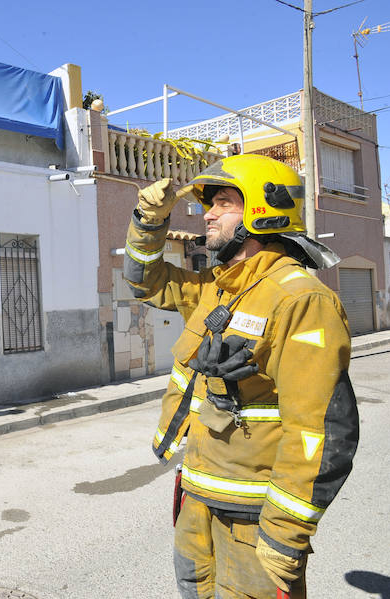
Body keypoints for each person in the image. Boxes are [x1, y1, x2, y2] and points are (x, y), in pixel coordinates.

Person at [123, 154, 359, 598]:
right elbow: (145, 281)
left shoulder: (301, 300)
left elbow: (324, 428)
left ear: (261, 213)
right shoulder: (219, 286)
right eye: (209, 204)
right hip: (199, 494)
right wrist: (146, 222)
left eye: (224, 203)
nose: (207, 214)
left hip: (252, 513)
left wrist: (285, 531)